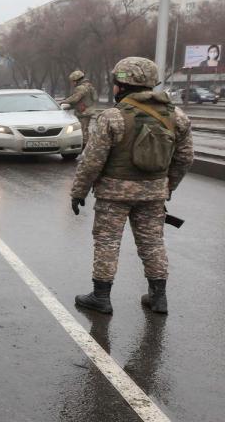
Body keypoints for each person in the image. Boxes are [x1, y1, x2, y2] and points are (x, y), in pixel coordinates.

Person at [70, 57, 193, 315]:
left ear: (122, 85)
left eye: (115, 83)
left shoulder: (112, 117)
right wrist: (168, 186)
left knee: (107, 242)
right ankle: (159, 298)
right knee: (153, 244)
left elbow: (92, 161)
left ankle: (101, 297)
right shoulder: (176, 116)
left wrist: (78, 192)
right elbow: (184, 158)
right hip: (153, 194)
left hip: (113, 195)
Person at [60, 70, 97, 146]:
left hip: (83, 112)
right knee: (85, 129)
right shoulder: (89, 86)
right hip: (88, 111)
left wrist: (63, 101)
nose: (72, 83)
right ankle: (86, 145)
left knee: (82, 131)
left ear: (77, 80)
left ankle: (85, 147)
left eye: (73, 81)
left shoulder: (80, 88)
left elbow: (75, 99)